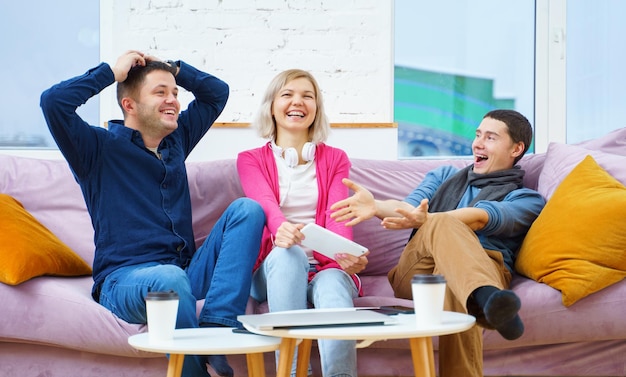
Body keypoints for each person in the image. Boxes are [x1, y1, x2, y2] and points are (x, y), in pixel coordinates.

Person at [40, 50, 265, 377]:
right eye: (160, 92)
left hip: (184, 274)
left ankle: (216, 328)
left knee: (248, 210)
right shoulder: (96, 150)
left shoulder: (175, 142)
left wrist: (174, 69)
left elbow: (217, 93)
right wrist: (112, 73)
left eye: (175, 92)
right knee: (169, 278)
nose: (173, 99)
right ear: (129, 105)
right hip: (125, 283)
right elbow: (53, 102)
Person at [330, 109, 546, 377]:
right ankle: (487, 298)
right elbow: (407, 208)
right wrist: (376, 206)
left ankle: (479, 297)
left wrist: (427, 219)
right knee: (443, 225)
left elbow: (480, 217)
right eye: (478, 135)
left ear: (517, 148)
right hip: (417, 272)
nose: (477, 143)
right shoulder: (444, 176)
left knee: (452, 277)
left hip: (484, 267)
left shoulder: (526, 199)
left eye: (490, 138)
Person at [236, 69, 369, 377]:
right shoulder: (250, 159)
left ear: (316, 109)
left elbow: (339, 215)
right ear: (272, 106)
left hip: (325, 266)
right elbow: (265, 204)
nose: (298, 102)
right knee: (288, 254)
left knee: (334, 285)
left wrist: (345, 254)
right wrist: (282, 229)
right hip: (275, 267)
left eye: (307, 96)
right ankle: (295, 373)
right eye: (287, 94)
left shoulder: (336, 158)